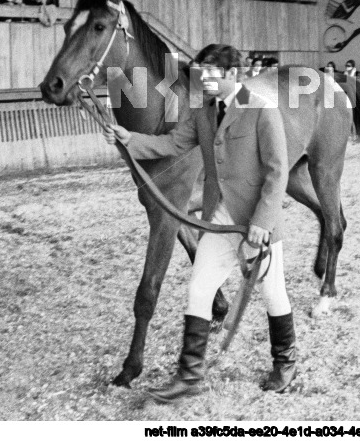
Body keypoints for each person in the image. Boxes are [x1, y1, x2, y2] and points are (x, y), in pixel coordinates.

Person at [100, 43, 296, 402]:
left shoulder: (262, 111)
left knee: (272, 293)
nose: (203, 80)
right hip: (219, 218)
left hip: (256, 222)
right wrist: (131, 140)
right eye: (200, 72)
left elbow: (277, 172)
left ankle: (285, 363)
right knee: (199, 289)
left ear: (233, 75)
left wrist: (262, 222)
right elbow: (172, 144)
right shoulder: (203, 113)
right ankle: (190, 376)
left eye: (211, 74)